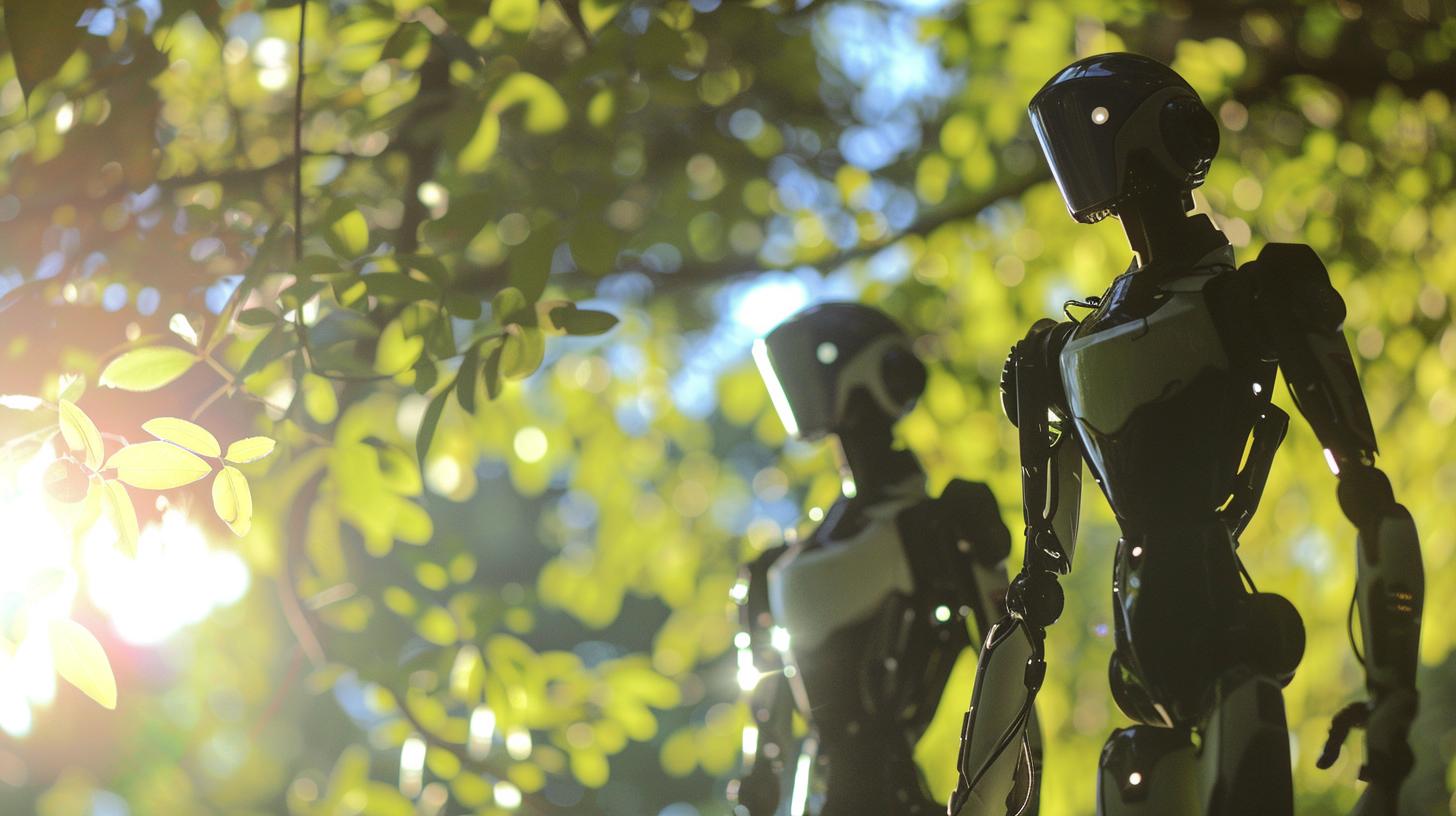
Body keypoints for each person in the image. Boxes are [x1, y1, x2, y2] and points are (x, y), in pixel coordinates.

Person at [950, 53, 1424, 816]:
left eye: (1098, 125)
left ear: (1171, 136)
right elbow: (1036, 584)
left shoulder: (1250, 297)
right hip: (1139, 669)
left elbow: (1365, 490)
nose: (1081, 151)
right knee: (1134, 762)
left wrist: (1394, 703)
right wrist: (978, 787)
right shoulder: (1061, 351)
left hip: (1226, 636)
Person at [729, 302, 1038, 816]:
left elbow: (1009, 672)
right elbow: (766, 722)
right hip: (816, 794)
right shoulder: (774, 566)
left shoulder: (940, 524)